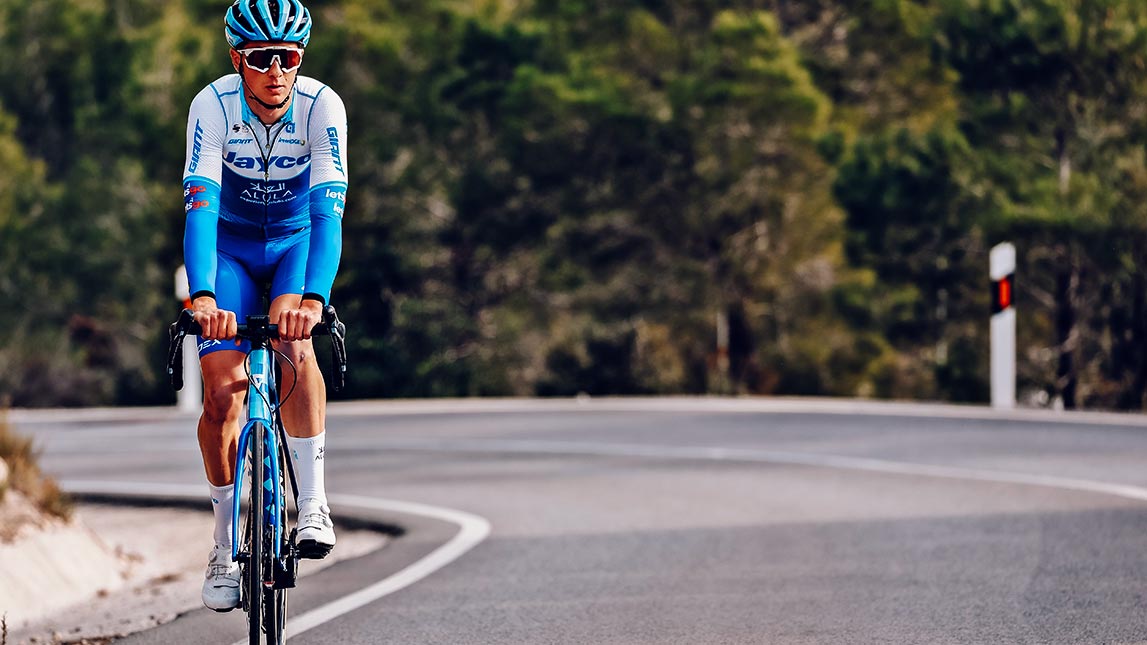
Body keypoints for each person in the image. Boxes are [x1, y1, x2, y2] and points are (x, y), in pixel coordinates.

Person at [181, 0, 347, 612]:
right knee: (221, 389)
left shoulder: (322, 106)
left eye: (290, 58)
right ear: (237, 60)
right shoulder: (213, 105)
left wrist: (314, 299)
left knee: (293, 345)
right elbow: (199, 211)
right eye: (261, 58)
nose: (277, 71)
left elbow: (328, 215)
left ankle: (314, 504)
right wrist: (202, 297)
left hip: (295, 243)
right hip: (229, 247)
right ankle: (224, 549)